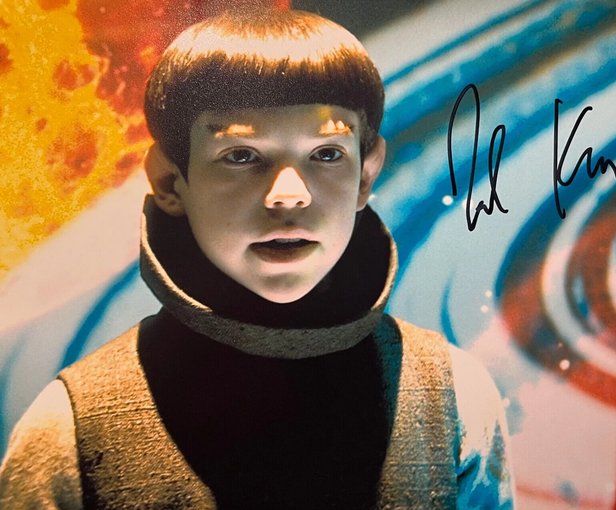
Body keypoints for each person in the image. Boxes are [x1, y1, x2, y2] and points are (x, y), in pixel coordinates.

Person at [0, 8, 515, 509]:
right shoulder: (72, 430)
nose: (289, 195)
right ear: (169, 181)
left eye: (327, 154)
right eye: (241, 156)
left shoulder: (455, 398)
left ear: (365, 174)